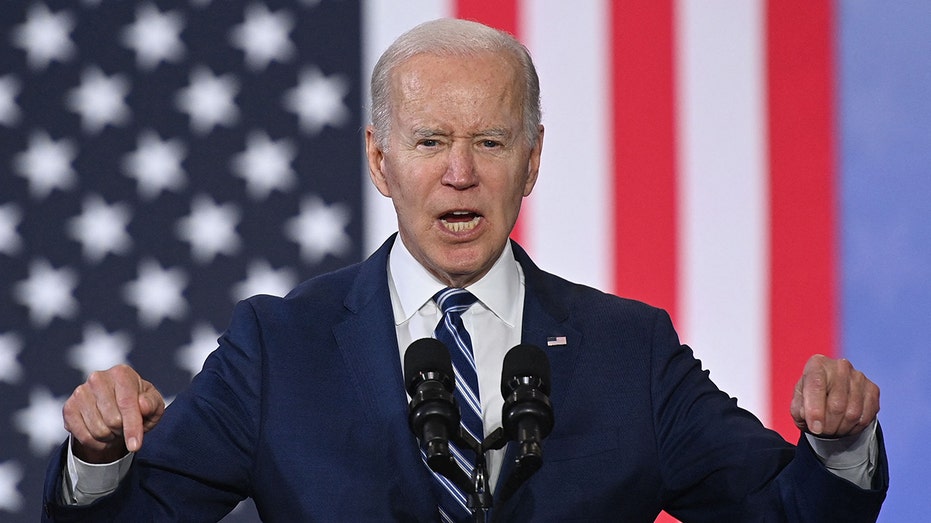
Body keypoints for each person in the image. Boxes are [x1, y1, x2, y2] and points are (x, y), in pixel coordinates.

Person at [43, 18, 887, 522]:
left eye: (488, 141)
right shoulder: (279, 346)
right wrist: (96, 456)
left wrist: (839, 442)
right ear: (380, 161)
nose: (460, 172)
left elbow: (783, 511)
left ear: (531, 160)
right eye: (429, 142)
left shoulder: (629, 350)